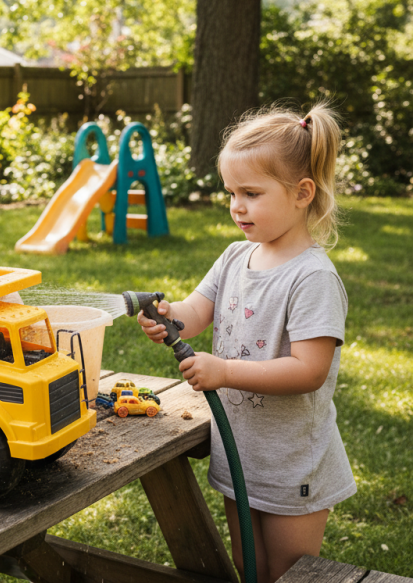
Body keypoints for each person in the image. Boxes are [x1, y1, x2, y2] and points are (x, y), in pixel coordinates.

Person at [139, 103, 356, 583]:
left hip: (291, 460)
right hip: (240, 452)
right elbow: (197, 311)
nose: (237, 206)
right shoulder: (236, 256)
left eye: (252, 193)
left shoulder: (312, 278)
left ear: (302, 194)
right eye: (231, 193)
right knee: (248, 566)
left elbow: (309, 370)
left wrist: (226, 372)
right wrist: (170, 316)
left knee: (289, 573)